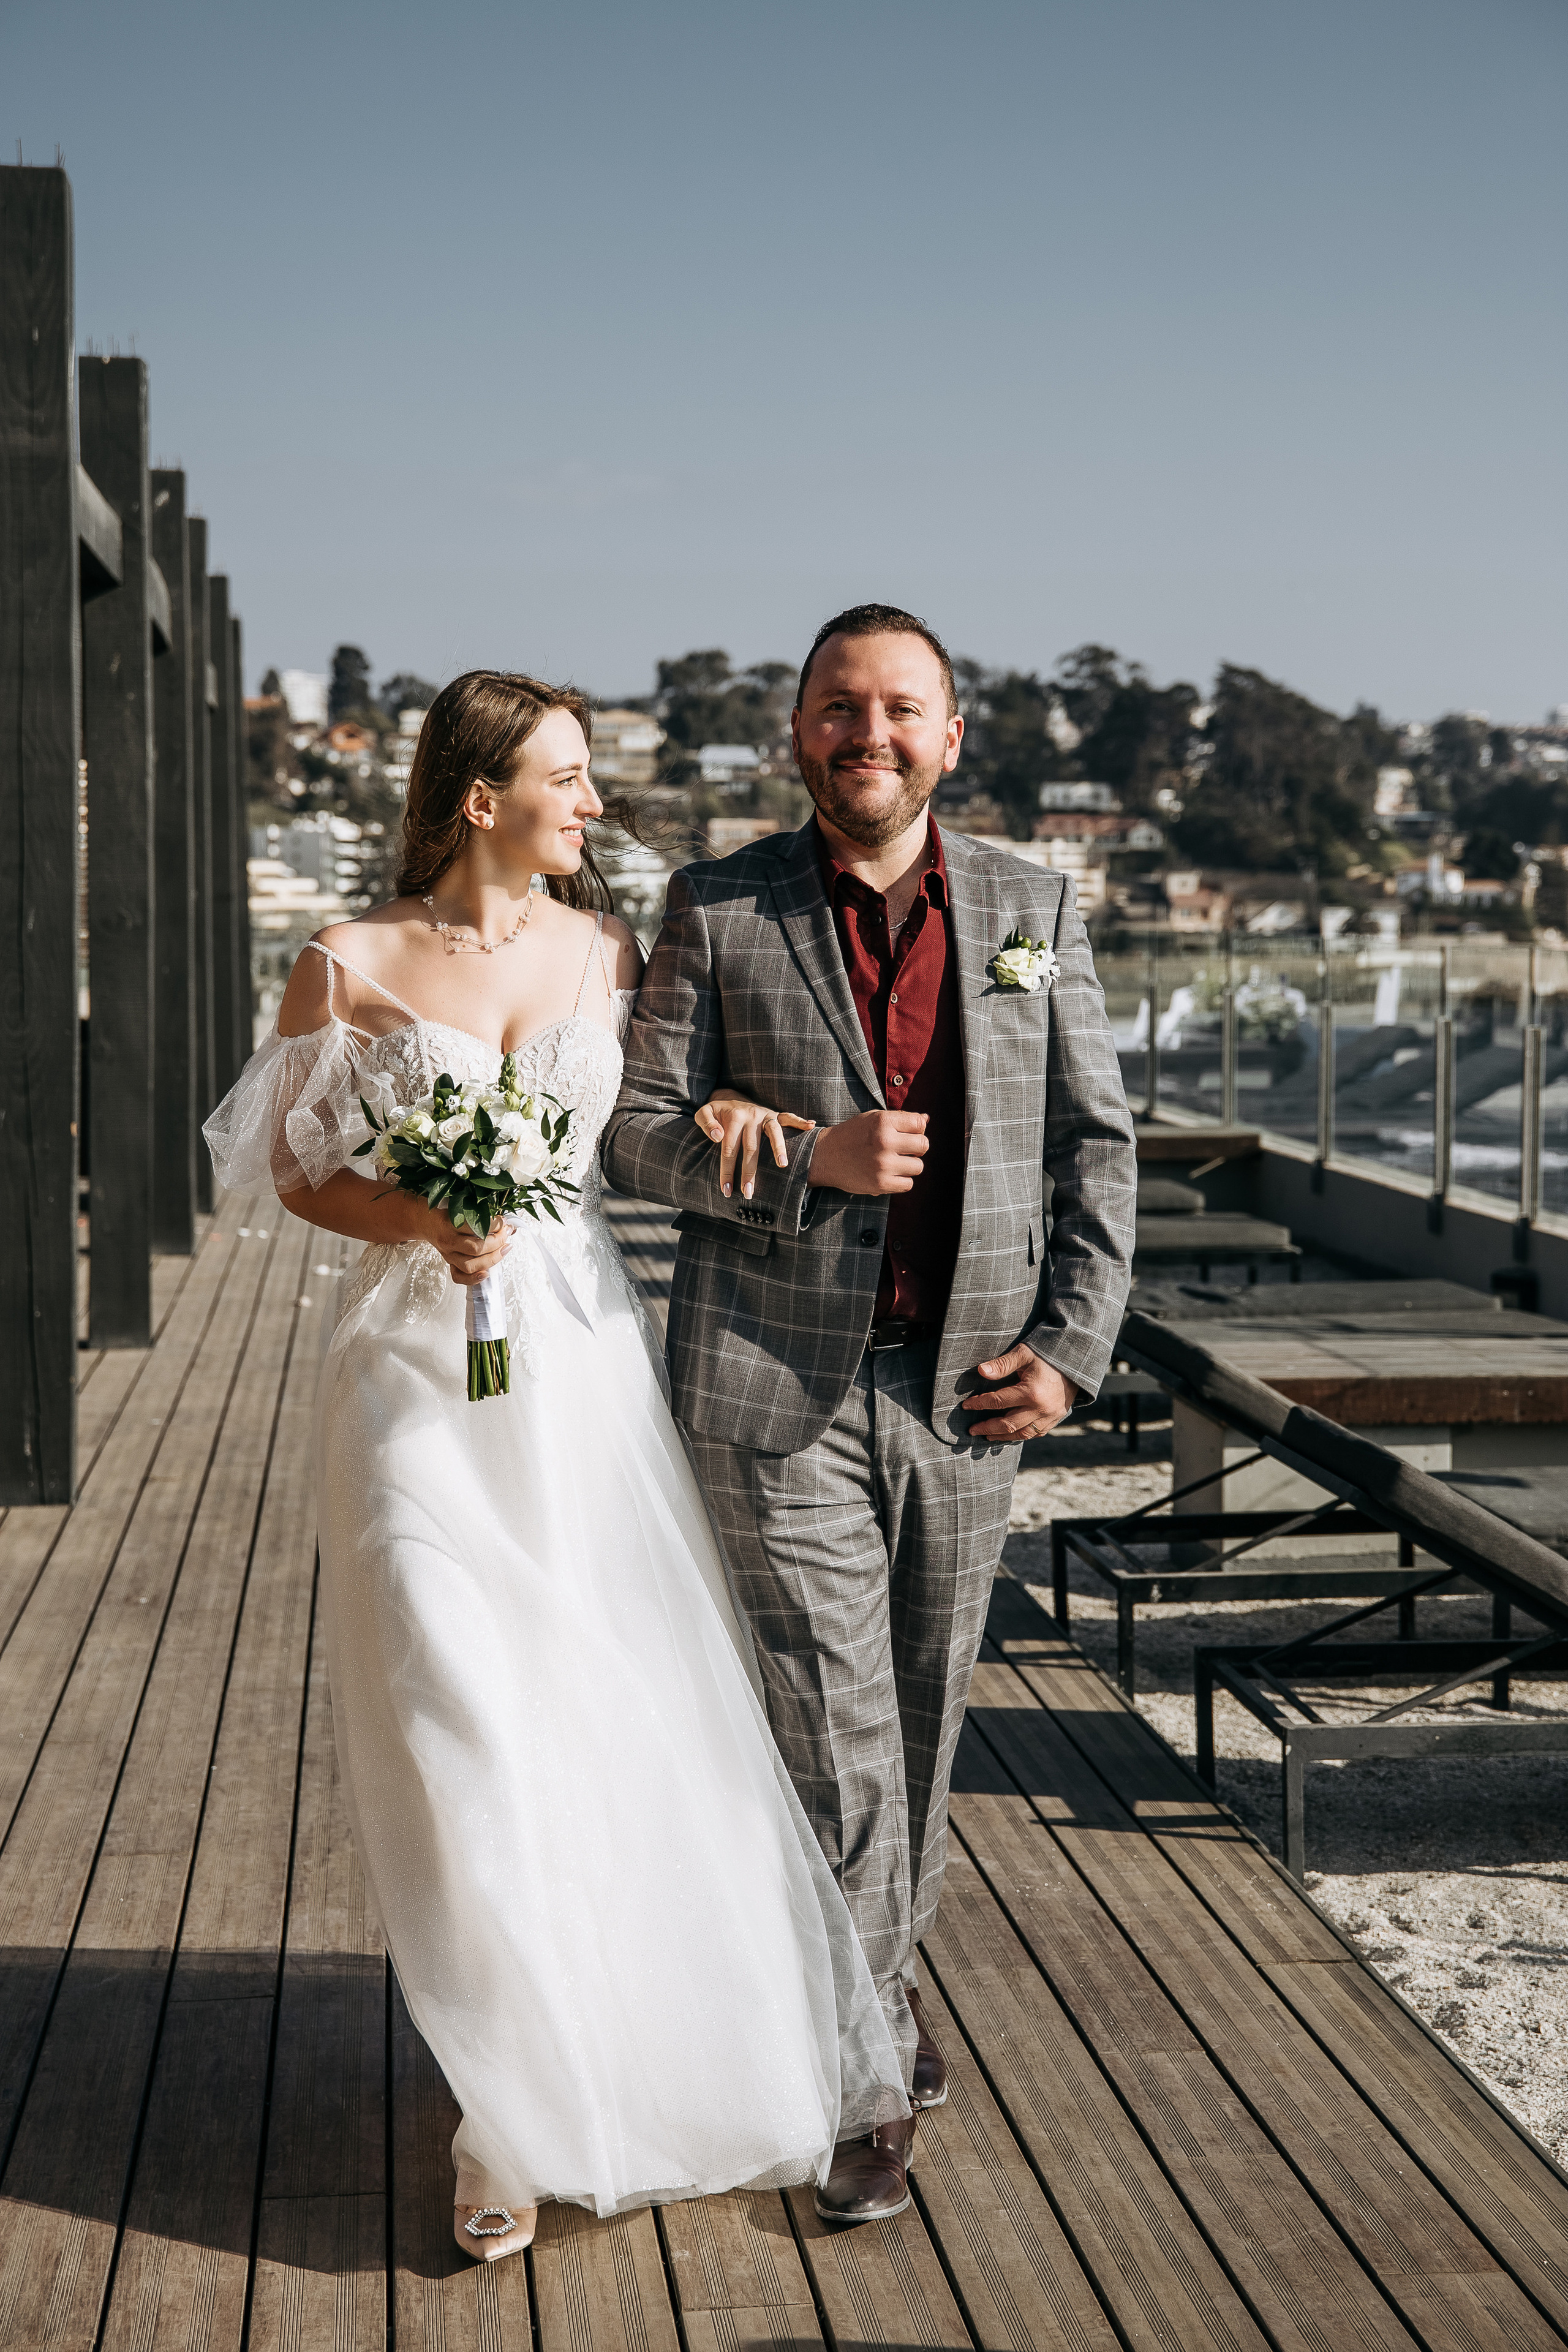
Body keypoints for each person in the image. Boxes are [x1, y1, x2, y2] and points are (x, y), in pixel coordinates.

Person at [204, 670, 907, 2261]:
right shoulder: (347, 965)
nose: (595, 806)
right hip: (411, 1372)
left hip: (581, 1367)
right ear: (477, 796)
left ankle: (628, 2051)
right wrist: (425, 1218)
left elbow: (660, 1115)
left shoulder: (608, 951)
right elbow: (299, 1172)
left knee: (601, 1708)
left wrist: (748, 1116)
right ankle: (505, 2121)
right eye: (570, 778)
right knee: (463, 1719)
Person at [603, 603, 1137, 2223]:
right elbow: (632, 1136)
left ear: (953, 735)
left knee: (916, 1724)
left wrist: (1076, 1349)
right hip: (774, 1388)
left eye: (902, 708)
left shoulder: (1034, 911)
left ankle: (873, 1993)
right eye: (840, 708)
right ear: (798, 735)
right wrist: (793, 1165)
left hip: (974, 1394)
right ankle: (859, 2068)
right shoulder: (719, 904)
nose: (870, 734)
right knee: (837, 1741)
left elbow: (1094, 1141)